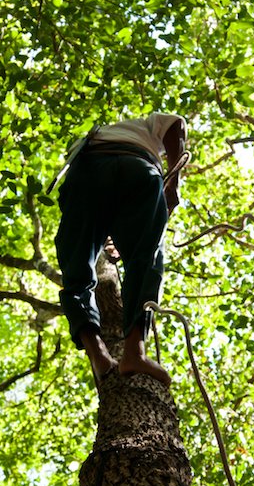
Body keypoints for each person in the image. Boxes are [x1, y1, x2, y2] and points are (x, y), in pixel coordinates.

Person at [54, 113, 187, 387]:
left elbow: (99, 209)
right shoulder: (145, 125)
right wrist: (173, 181)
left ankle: (97, 351)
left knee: (76, 264)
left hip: (85, 174)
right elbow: (175, 124)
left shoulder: (93, 138)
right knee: (146, 258)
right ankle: (134, 352)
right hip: (135, 165)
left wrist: (109, 235)